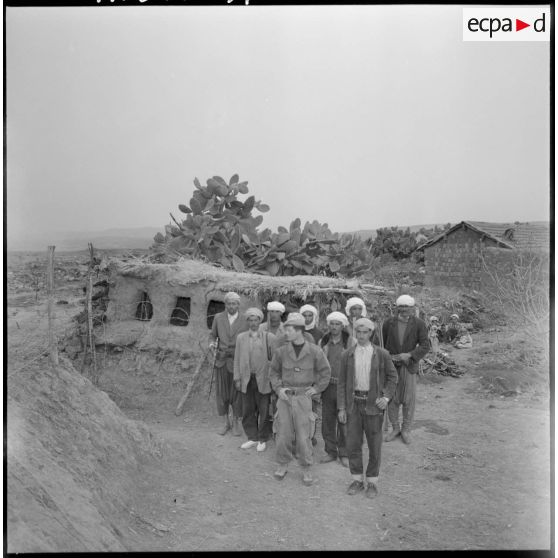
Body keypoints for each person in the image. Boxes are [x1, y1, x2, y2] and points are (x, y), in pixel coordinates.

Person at [337, 318, 398, 498]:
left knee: (374, 445)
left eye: (365, 332)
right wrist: (341, 407)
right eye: (359, 332)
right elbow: (341, 383)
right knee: (353, 443)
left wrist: (386, 397)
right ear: (355, 333)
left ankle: (372, 482)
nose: (362, 336)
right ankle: (357, 480)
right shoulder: (347, 354)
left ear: (371, 333)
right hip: (353, 404)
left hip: (373, 405)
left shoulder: (381, 354)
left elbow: (393, 378)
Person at [269, 313, 331, 486]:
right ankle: (282, 465)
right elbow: (273, 372)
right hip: (285, 398)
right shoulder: (281, 351)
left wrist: (317, 388)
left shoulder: (314, 351)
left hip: (304, 398)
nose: (285, 333)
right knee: (282, 434)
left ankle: (306, 468)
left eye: (288, 330)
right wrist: (278, 388)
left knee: (304, 436)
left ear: (298, 331)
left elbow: (325, 372)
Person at [382, 295, 429, 445]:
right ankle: (395, 428)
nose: (404, 310)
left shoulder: (419, 324)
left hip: (409, 365)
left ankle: (406, 429)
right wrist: (389, 357)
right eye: (401, 307)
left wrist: (409, 355)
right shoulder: (389, 323)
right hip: (392, 366)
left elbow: (425, 345)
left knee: (409, 399)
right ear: (397, 308)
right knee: (392, 398)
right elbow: (383, 344)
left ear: (412, 308)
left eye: (407, 307)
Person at [234, 308, 277, 452]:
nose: (253, 323)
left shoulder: (268, 337)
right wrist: (237, 378)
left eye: (256, 320)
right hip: (247, 379)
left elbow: (276, 360)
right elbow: (237, 359)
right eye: (250, 320)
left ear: (260, 321)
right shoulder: (241, 338)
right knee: (248, 409)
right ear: (247, 321)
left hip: (263, 378)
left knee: (264, 409)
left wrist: (273, 377)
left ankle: (263, 438)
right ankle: (252, 437)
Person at [209, 292, 248, 436]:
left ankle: (236, 422)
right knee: (222, 393)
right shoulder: (218, 318)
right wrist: (212, 344)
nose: (231, 306)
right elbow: (212, 335)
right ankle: (225, 422)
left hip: (238, 360)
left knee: (237, 393)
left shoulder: (245, 319)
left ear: (239, 305)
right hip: (221, 360)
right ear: (225, 304)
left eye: (234, 303)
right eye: (229, 303)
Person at [318, 311, 352, 467]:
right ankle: (330, 451)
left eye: (337, 324)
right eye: (331, 323)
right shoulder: (323, 341)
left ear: (342, 325)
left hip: (344, 386)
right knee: (327, 420)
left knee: (344, 420)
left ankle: (344, 452)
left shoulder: (350, 342)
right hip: (327, 386)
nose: (334, 326)